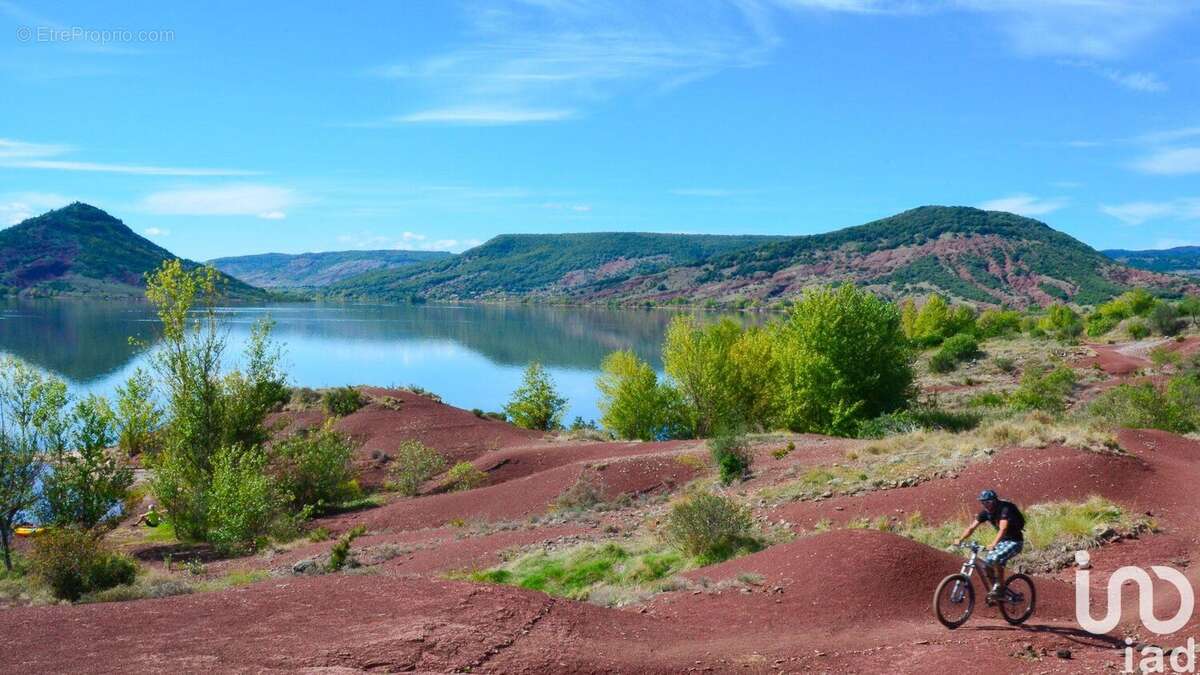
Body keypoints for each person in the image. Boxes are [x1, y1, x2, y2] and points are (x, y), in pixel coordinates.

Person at [954, 489, 1025, 601]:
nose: (985, 505)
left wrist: (993, 544)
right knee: (987, 564)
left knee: (994, 558)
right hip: (1003, 542)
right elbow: (972, 528)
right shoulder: (985, 513)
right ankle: (995, 591)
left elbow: (1003, 528)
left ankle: (1000, 589)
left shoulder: (1004, 509)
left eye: (988, 502)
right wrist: (960, 539)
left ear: (995, 501)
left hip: (1015, 542)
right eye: (983, 502)